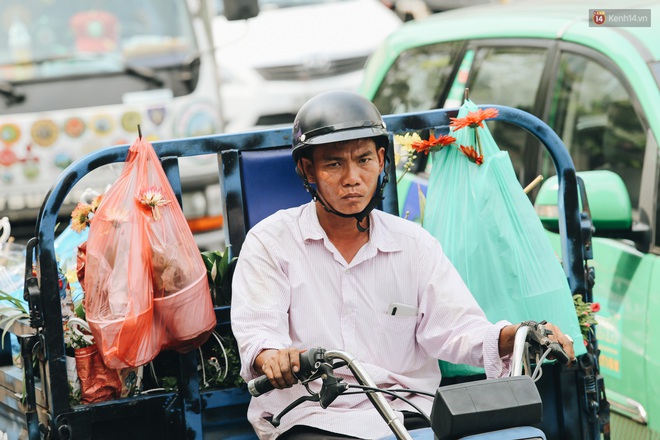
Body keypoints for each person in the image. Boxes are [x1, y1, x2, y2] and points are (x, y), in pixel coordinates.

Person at [230, 90, 576, 439]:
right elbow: (258, 331)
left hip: (407, 413)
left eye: (363, 160)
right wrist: (273, 358)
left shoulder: (414, 245)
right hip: (312, 416)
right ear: (308, 170)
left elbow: (457, 329)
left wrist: (515, 335)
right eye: (334, 164)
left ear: (381, 160)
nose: (352, 178)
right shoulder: (271, 242)